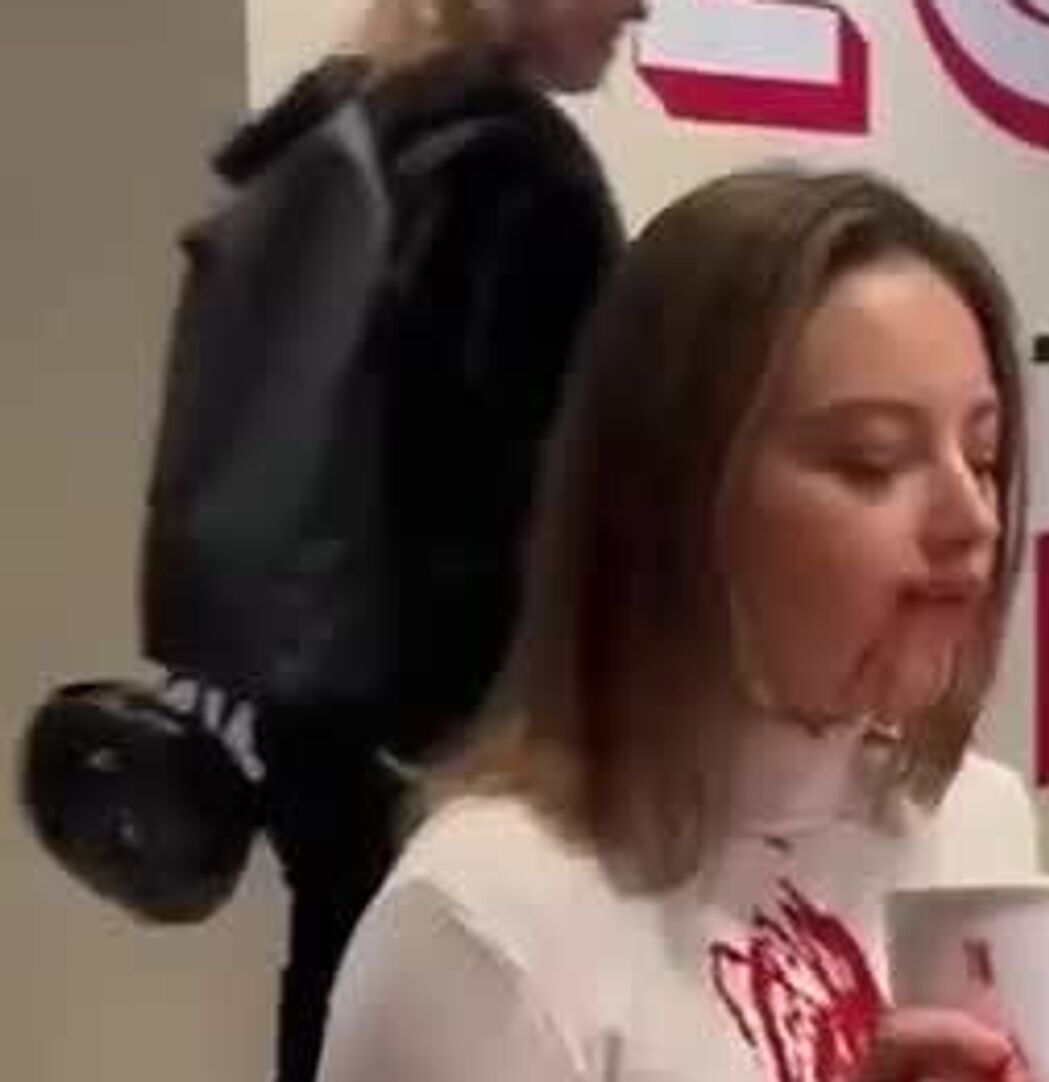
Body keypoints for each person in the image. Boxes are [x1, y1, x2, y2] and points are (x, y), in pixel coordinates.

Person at [315, 166, 1045, 1082]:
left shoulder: (977, 823)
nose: (971, 519)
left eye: (983, 457)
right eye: (874, 461)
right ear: (675, 498)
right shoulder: (484, 927)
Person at [235, 1, 640, 1078]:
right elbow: (552, 498)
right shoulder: (519, 176)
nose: (643, 7)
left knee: (339, 992)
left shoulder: (337, 126)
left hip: (317, 706)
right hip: (463, 738)